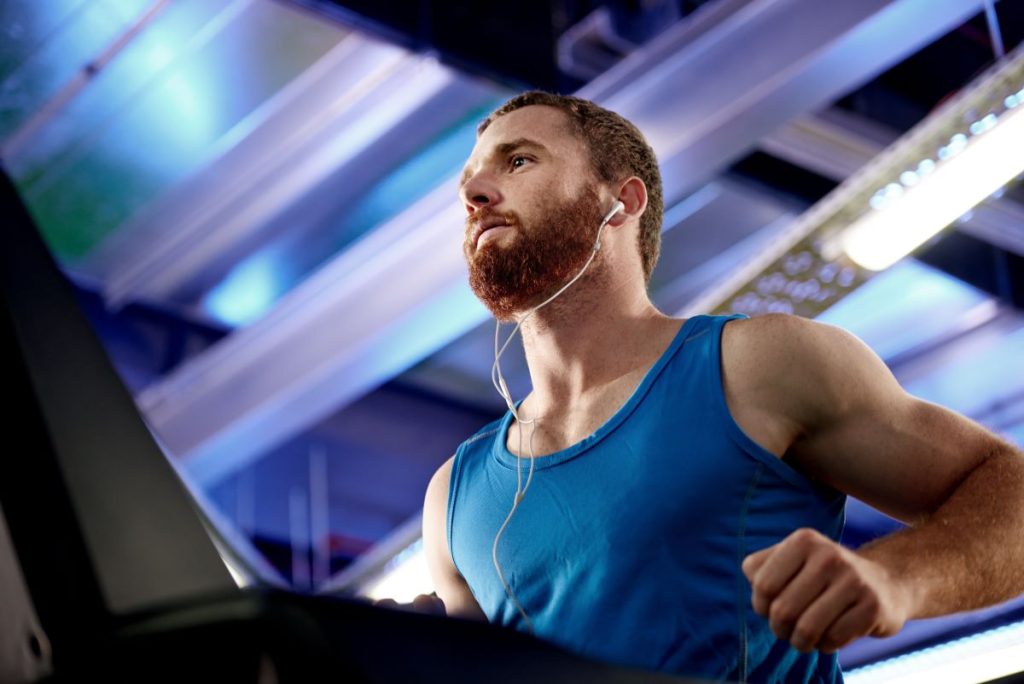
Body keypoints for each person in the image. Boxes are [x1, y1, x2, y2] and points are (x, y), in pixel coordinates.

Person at [416, 91, 1024, 682]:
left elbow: (1009, 490)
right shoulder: (452, 499)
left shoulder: (761, 365)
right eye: (468, 181)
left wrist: (897, 579)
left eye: (518, 161)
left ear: (621, 203)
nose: (472, 193)